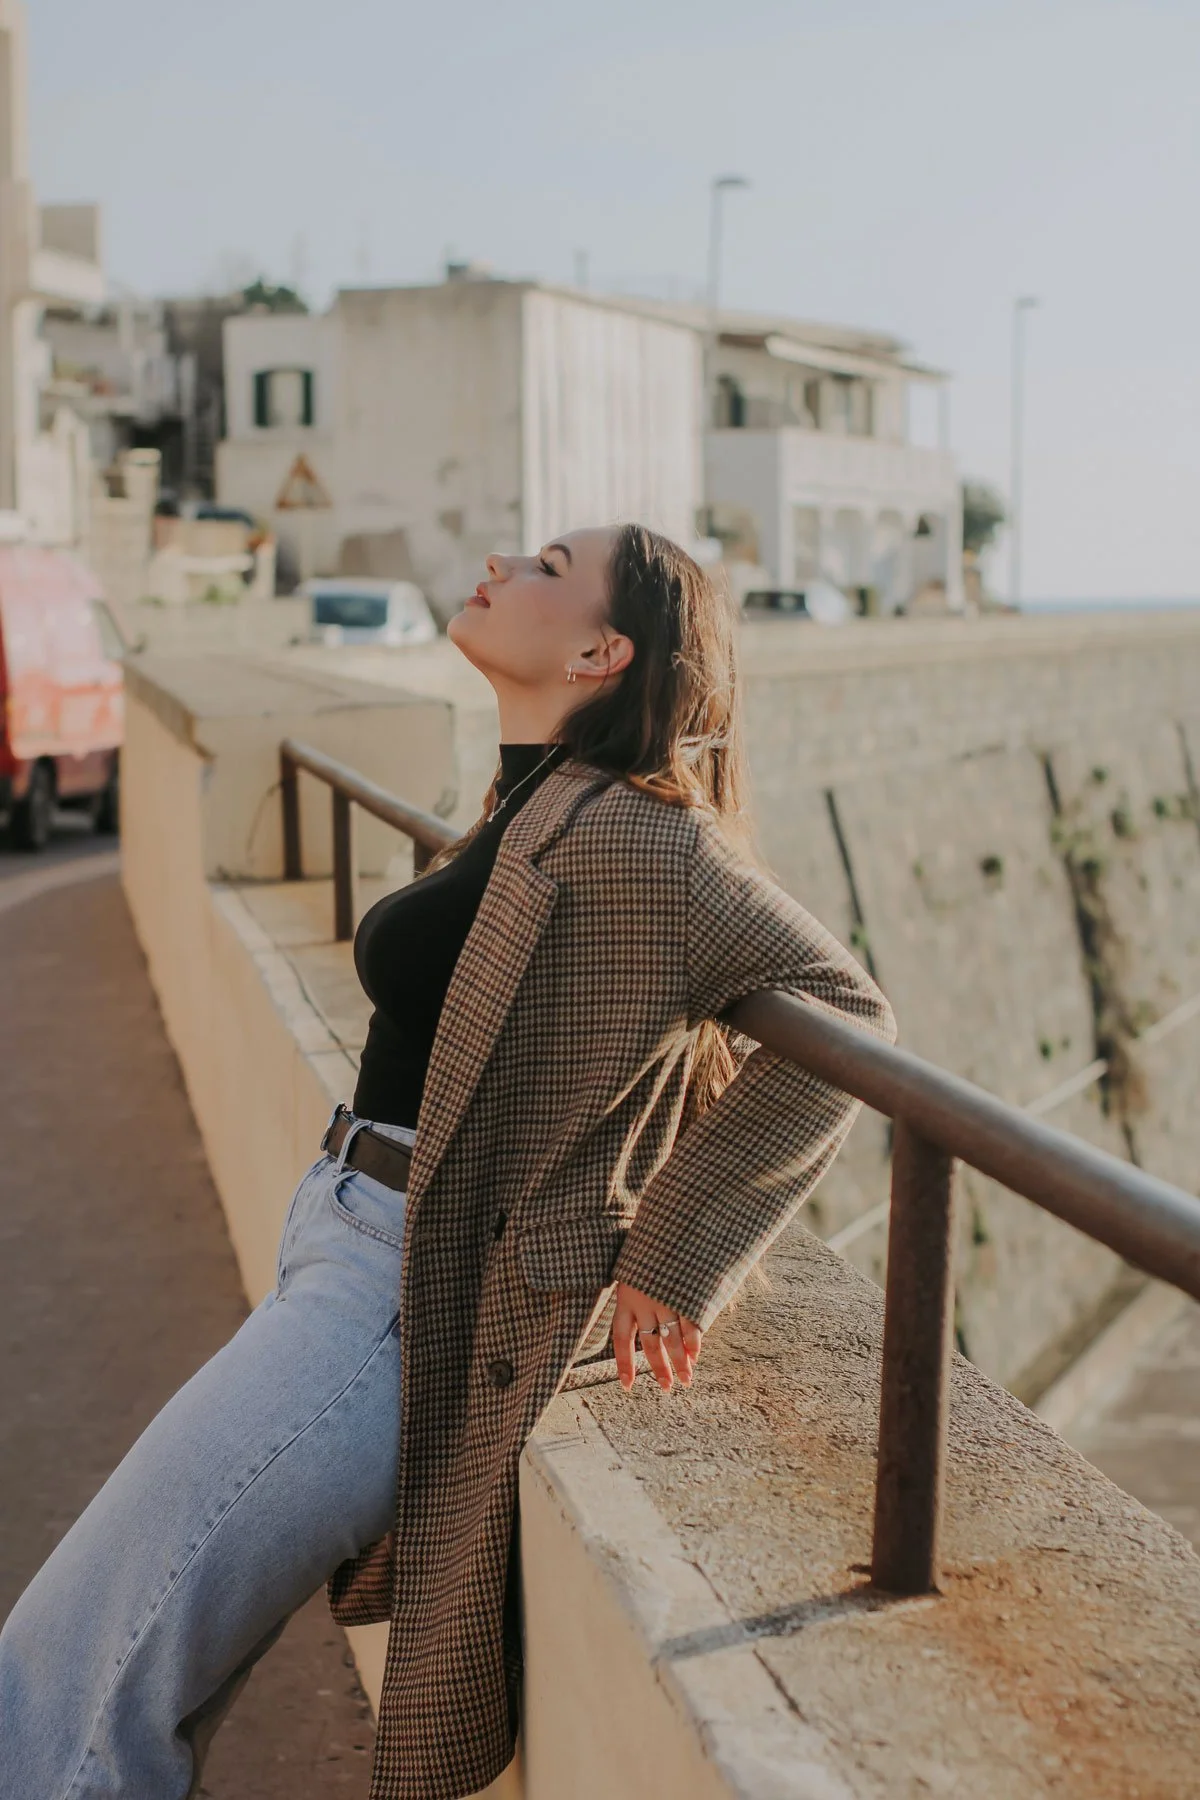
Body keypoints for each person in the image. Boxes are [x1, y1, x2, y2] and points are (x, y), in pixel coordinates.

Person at [0, 523, 895, 1800]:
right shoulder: (536, 796)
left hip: (391, 1299)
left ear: (600, 649)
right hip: (351, 1243)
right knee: (117, 1663)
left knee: (77, 1676)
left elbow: (841, 1013)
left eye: (542, 565)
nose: (496, 563)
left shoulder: (641, 840)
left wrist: (676, 1251)